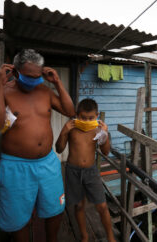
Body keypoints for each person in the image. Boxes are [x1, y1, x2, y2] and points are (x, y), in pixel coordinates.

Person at [0, 49, 75, 242]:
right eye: (28, 76)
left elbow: (70, 110)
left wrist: (57, 82)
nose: (33, 81)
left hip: (48, 162)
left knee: (55, 209)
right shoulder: (3, 91)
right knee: (18, 217)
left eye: (37, 76)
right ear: (15, 72)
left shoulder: (45, 91)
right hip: (16, 166)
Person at [55, 98, 115, 242]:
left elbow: (106, 152)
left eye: (91, 118)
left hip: (91, 171)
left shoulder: (98, 130)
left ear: (97, 116)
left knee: (102, 206)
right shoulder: (72, 129)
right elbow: (59, 148)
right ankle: (84, 236)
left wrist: (105, 134)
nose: (87, 121)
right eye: (83, 118)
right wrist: (64, 131)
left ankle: (111, 238)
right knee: (79, 205)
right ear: (76, 115)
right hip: (72, 171)